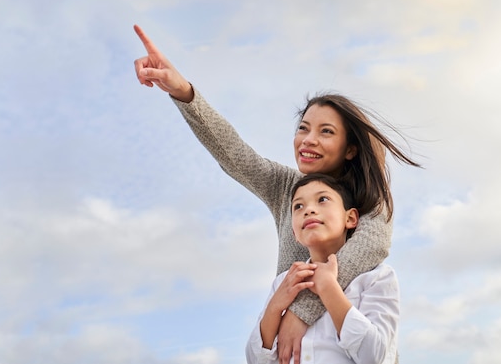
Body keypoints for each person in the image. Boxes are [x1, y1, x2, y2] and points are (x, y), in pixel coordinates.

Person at [133, 24, 419, 364]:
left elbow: (367, 250)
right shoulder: (286, 188)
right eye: (303, 128)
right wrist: (183, 91)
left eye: (326, 132)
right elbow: (236, 155)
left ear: (350, 149)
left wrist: (299, 313)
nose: (308, 140)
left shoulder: (371, 200)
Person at [246, 173, 399, 364]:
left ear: (350, 218)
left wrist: (328, 288)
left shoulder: (377, 277)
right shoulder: (283, 282)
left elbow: (374, 356)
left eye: (322, 199)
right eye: (298, 206)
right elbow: (255, 359)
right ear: (294, 232)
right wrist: (275, 307)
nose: (308, 210)